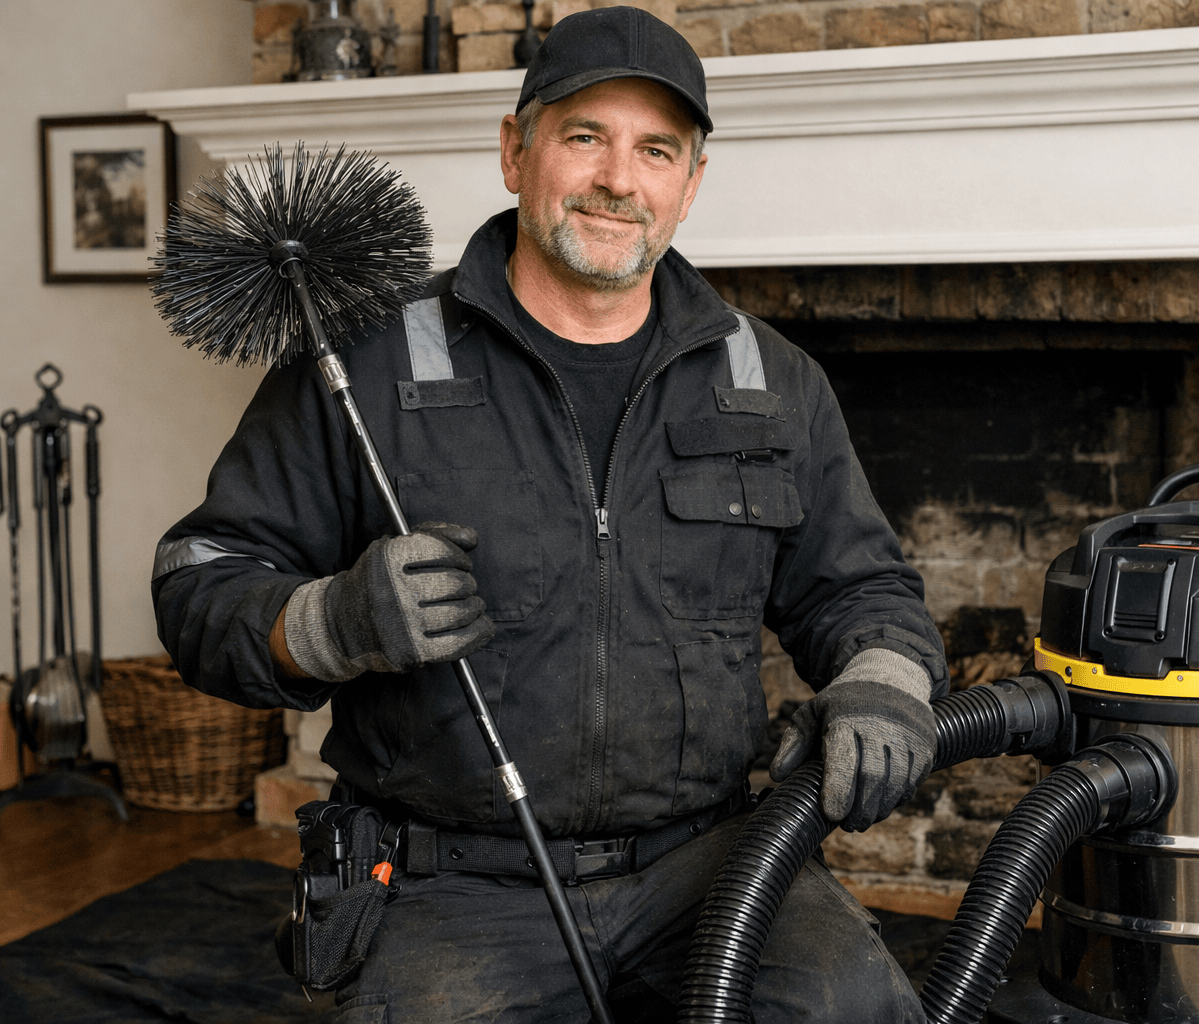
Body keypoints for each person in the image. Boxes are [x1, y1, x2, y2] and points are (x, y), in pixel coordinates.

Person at [152, 7, 947, 1021]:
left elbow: (863, 586)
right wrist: (331, 623)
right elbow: (198, 578)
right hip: (454, 883)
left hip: (709, 866)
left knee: (854, 1005)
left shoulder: (767, 380)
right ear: (514, 150)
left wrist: (884, 682)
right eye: (585, 136)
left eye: (656, 150)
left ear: (690, 185)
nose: (620, 178)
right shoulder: (372, 361)